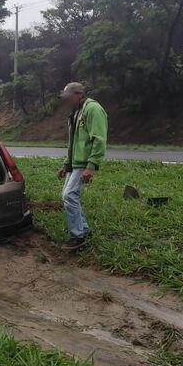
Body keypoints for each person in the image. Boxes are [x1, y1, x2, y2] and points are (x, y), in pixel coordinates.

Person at [57, 82, 107, 251]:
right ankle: (83, 230)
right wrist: (66, 164)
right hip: (75, 163)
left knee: (69, 196)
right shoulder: (76, 112)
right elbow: (73, 142)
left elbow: (99, 139)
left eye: (68, 98)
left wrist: (91, 166)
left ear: (79, 94)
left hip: (84, 163)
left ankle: (79, 237)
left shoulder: (93, 109)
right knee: (68, 196)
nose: (66, 102)